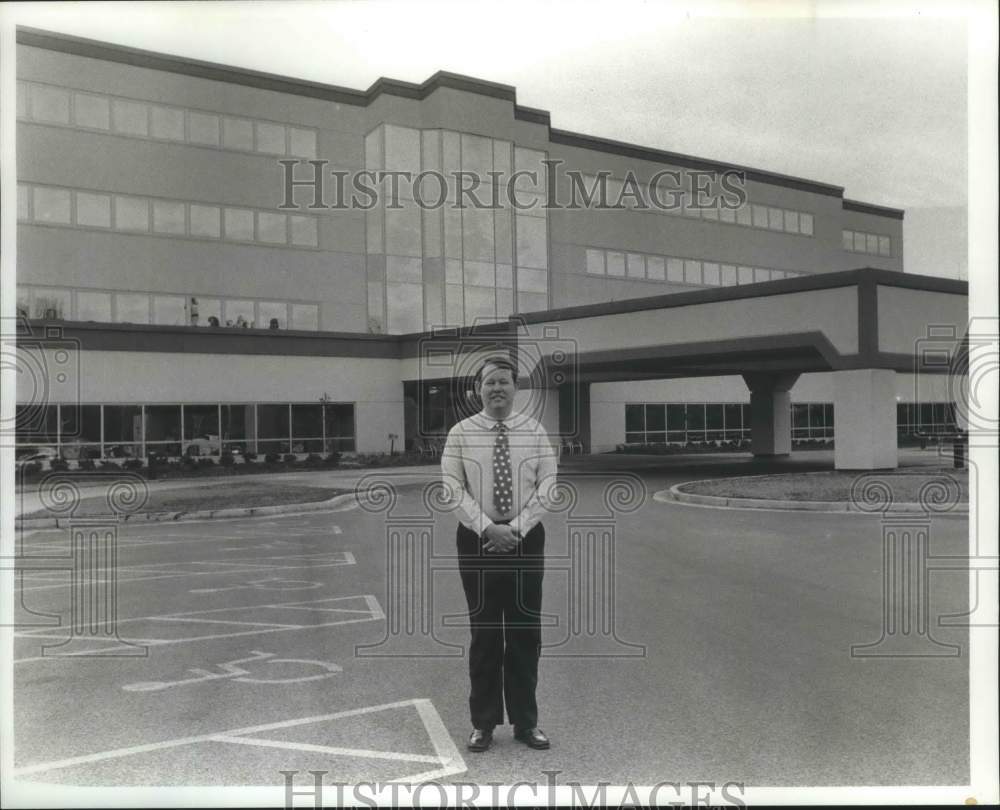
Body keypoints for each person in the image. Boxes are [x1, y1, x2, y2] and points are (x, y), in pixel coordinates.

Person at [441, 354, 558, 753]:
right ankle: (483, 724)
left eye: (504, 382)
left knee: (526, 633)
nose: (497, 389)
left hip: (527, 539)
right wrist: (488, 528)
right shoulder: (461, 433)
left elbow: (548, 486)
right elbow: (452, 489)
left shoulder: (535, 431)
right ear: (478, 389)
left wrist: (517, 529)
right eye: (489, 382)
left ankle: (527, 724)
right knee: (486, 633)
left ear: (516, 387)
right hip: (477, 540)